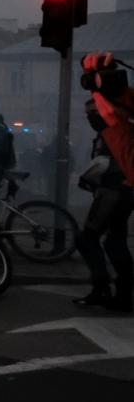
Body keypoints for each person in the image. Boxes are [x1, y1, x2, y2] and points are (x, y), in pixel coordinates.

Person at [74, 98, 133, 312]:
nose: (90, 117)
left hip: (113, 191)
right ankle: (124, 294)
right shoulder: (120, 129)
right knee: (114, 241)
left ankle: (102, 288)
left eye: (93, 112)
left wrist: (87, 177)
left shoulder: (114, 131)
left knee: (87, 238)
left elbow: (105, 163)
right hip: (123, 191)